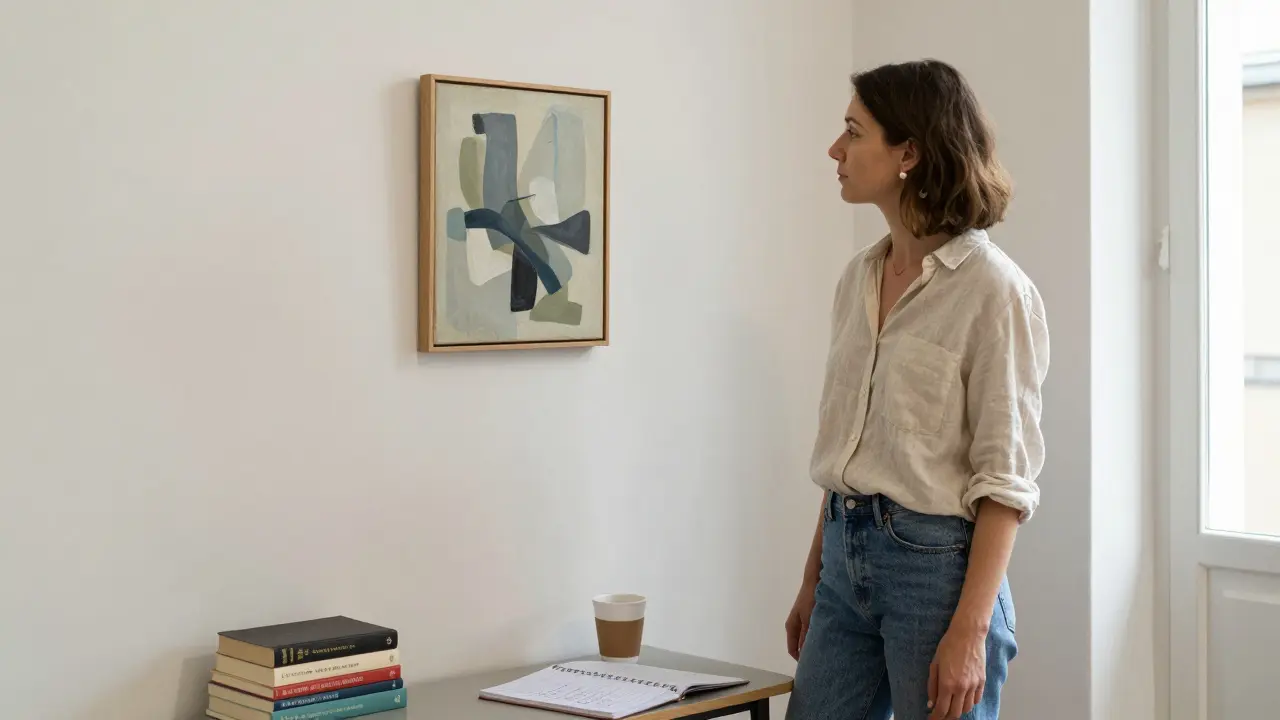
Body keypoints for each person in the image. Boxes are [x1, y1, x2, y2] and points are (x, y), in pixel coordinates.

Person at [783, 59, 1050, 720]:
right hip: (843, 557)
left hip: (936, 572)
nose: (835, 150)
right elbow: (848, 446)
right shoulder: (858, 278)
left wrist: (971, 632)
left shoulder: (994, 292)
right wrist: (814, 577)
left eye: (853, 132)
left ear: (908, 153)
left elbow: (1005, 481)